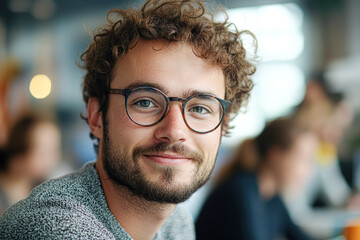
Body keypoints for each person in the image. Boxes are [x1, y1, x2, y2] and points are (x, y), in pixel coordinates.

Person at [0, 0, 256, 239]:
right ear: (97, 116)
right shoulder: (54, 227)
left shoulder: (176, 222)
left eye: (200, 108)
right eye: (145, 102)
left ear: (223, 126)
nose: (175, 130)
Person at [196, 118, 318, 240]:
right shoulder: (240, 192)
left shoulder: (272, 198)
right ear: (275, 156)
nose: (309, 170)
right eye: (303, 159)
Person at [0, 112, 61, 215]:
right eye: (43, 152)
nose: (51, 159)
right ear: (18, 155)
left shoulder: (44, 190)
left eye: (54, 151)